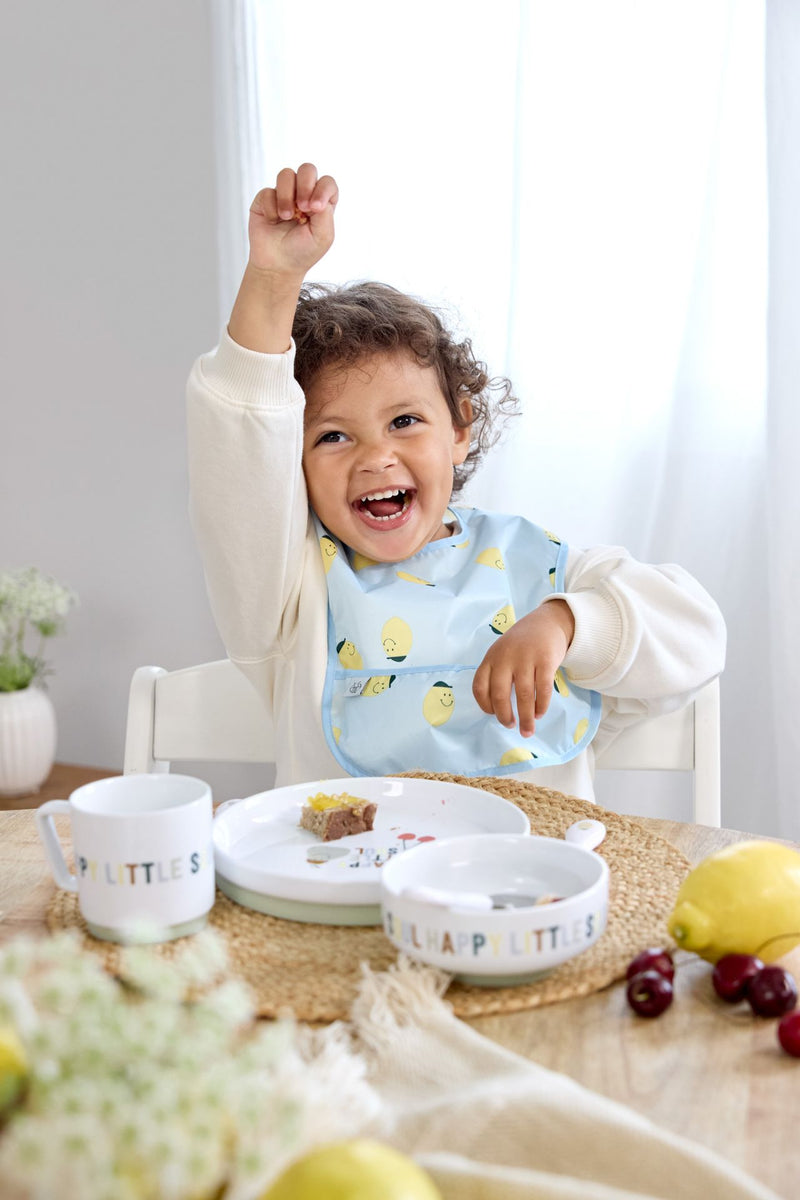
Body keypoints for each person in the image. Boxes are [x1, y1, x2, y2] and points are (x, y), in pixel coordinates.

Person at [187, 163, 725, 800]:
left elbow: (696, 630)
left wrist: (563, 623)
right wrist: (273, 280)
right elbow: (240, 441)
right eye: (332, 436)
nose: (376, 457)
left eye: (405, 422)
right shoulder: (288, 593)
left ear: (461, 428)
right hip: (347, 892)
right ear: (292, 461)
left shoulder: (540, 570)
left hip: (528, 891)